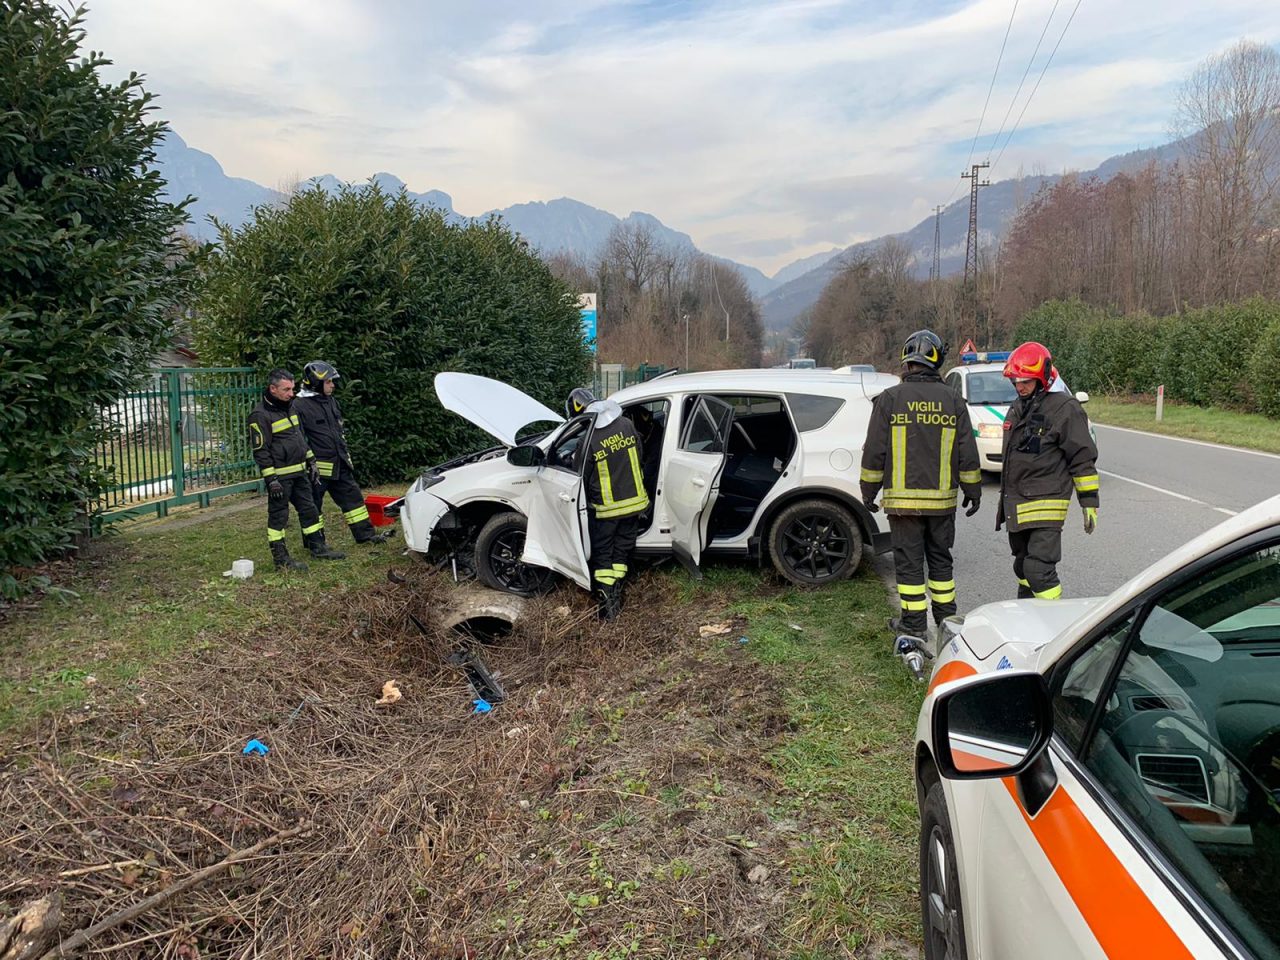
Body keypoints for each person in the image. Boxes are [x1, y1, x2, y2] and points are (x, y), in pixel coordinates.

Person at [860, 330, 983, 639]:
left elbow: (875, 450)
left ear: (907, 362)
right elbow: (967, 450)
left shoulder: (889, 399)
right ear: (938, 361)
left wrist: (868, 491)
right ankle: (947, 623)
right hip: (942, 505)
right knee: (941, 562)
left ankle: (914, 624)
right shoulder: (954, 399)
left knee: (909, 565)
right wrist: (973, 491)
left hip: (903, 507)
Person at [997, 342, 1099, 600]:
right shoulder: (1019, 405)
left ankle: (1054, 625)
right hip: (1017, 503)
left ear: (1042, 378)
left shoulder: (1065, 408)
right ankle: (1027, 614)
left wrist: (1089, 502)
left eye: (1026, 381)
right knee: (1022, 567)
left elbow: (1082, 458)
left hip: (1046, 503)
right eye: (1016, 381)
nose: (1019, 386)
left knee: (1038, 570)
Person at [247, 369, 346, 571]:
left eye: (292, 389)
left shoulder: (290, 408)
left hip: (300, 473)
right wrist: (271, 479)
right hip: (280, 477)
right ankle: (281, 560)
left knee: (310, 510)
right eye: (286, 389)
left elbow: (300, 439)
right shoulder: (260, 415)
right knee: (278, 517)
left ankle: (318, 547)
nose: (291, 393)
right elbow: (261, 451)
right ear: (272, 389)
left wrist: (312, 462)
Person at [568, 387, 650, 620]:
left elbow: (579, 475)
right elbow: (640, 454)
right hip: (635, 504)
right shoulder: (626, 425)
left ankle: (607, 607)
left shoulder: (589, 439)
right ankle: (617, 593)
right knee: (622, 551)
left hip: (607, 511)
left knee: (603, 556)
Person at [293, 361, 389, 545]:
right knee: (312, 506)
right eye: (328, 382)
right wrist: (308, 463)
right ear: (315, 382)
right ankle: (315, 543)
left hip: (339, 464)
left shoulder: (330, 401)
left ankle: (366, 536)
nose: (333, 385)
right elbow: (299, 439)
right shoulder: (298, 405)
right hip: (317, 469)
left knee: (354, 501)